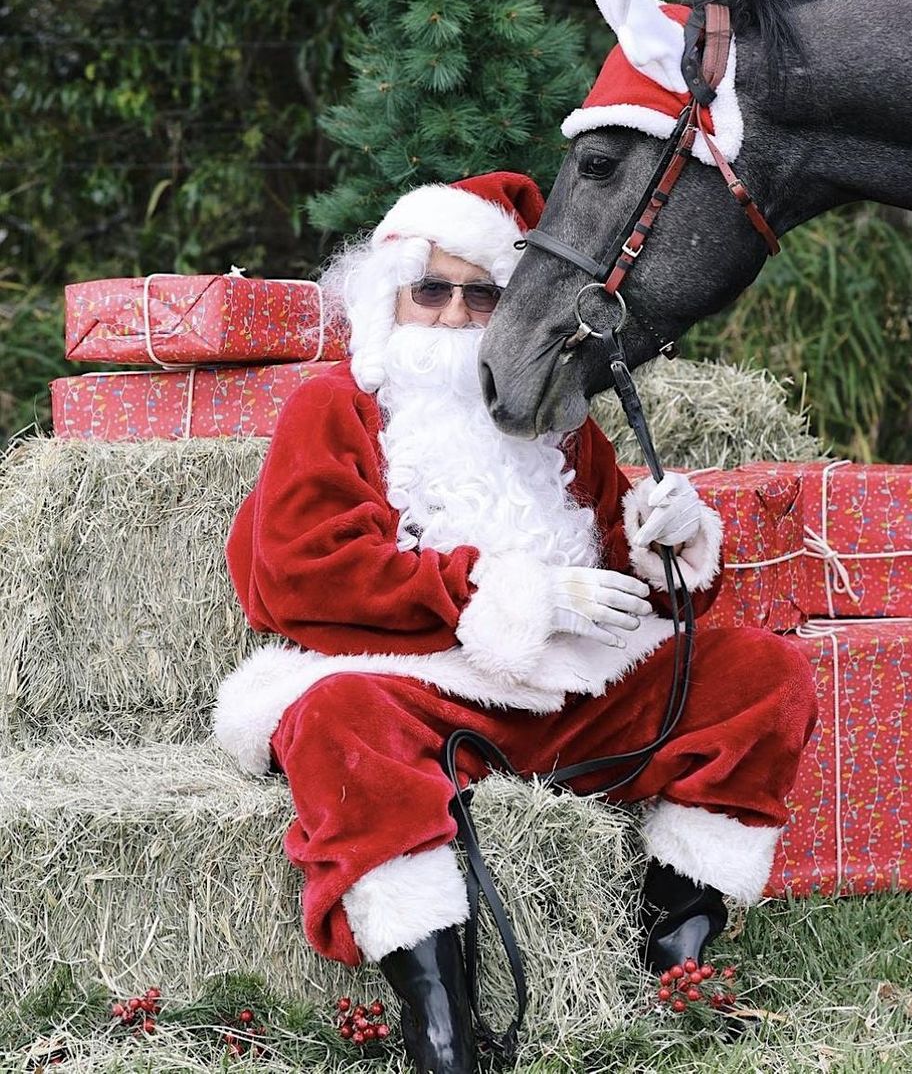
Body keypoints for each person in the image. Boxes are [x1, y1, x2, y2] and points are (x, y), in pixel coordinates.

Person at [213, 171, 817, 1074]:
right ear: (389, 300)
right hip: (426, 692)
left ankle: (671, 954)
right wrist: (505, 590)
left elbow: (645, 584)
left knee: (763, 675)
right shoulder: (334, 408)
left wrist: (668, 542)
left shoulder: (557, 418)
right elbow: (301, 572)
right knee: (335, 722)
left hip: (575, 691)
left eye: (481, 293)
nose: (456, 317)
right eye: (432, 291)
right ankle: (441, 1020)